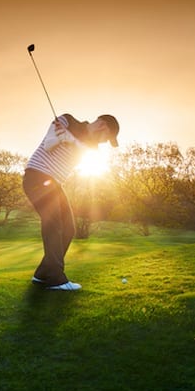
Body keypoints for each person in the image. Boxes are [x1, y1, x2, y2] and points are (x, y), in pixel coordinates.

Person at [23, 113, 120, 291]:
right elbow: (49, 144)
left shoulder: (92, 148)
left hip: (54, 184)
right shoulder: (67, 120)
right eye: (106, 138)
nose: (104, 142)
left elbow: (86, 152)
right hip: (37, 176)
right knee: (53, 224)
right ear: (102, 126)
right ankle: (56, 279)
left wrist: (67, 138)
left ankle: (42, 275)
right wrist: (64, 138)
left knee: (69, 228)